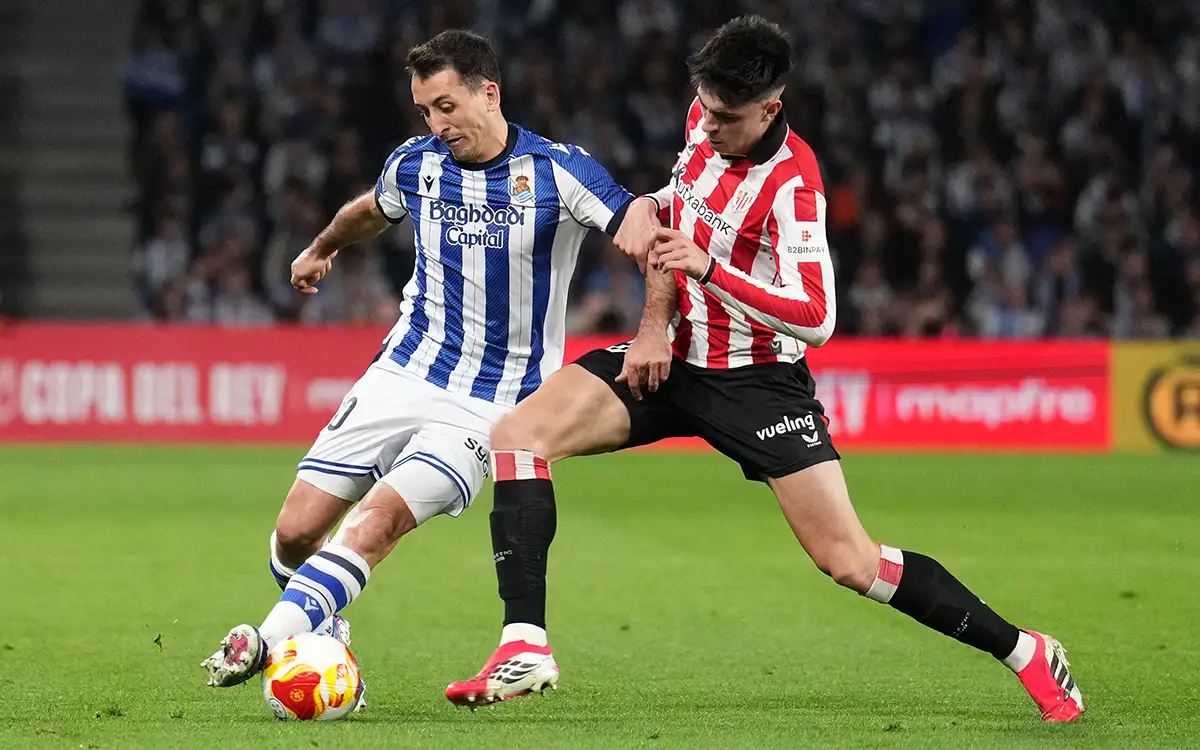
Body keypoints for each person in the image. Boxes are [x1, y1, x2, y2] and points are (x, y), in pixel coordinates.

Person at [445, 16, 1083, 723]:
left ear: (770, 108)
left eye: (727, 117)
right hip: (675, 359)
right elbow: (673, 211)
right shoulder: (701, 118)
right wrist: (653, 324)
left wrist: (711, 269)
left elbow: (817, 316)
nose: (709, 125)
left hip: (758, 385)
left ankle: (1025, 650)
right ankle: (525, 643)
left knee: (850, 562)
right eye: (705, 108)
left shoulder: (792, 190)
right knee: (517, 437)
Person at [201, 29, 655, 689]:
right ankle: (326, 633)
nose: (436, 124)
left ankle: (263, 641)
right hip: (404, 370)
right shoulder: (418, 165)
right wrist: (322, 246)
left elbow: (639, 229)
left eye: (445, 106)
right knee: (297, 533)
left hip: (493, 401)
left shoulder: (559, 171)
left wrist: (654, 324)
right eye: (425, 111)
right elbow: (372, 210)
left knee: (379, 520)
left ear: (488, 92)